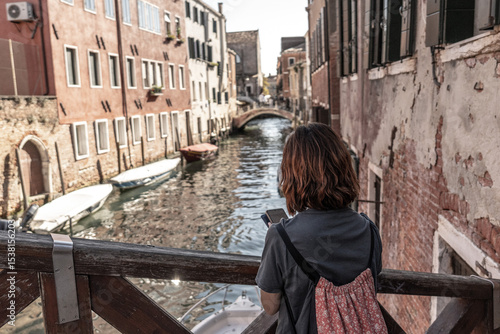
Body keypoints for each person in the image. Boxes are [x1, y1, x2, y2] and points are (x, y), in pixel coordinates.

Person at [256, 123, 383, 333]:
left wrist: (278, 239)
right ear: (343, 168)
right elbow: (374, 282)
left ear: (294, 175)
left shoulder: (280, 237)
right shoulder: (369, 230)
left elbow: (270, 307)